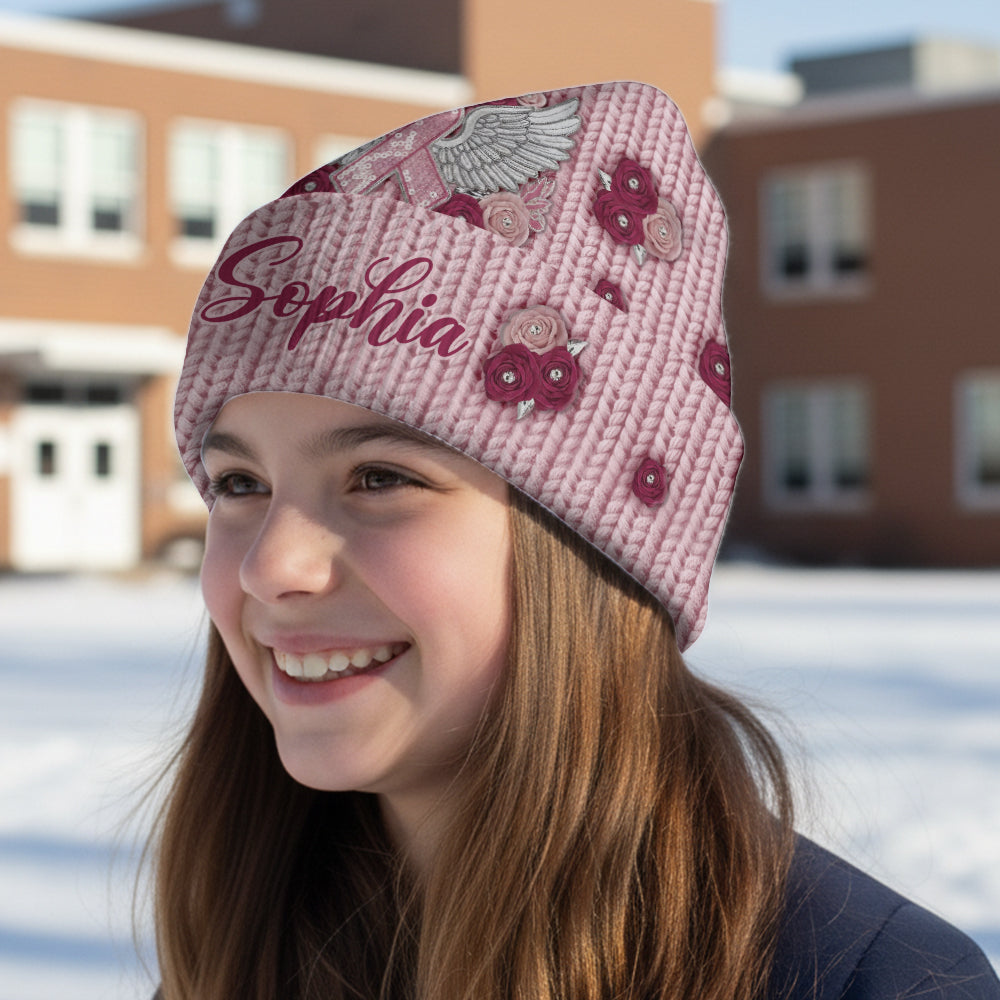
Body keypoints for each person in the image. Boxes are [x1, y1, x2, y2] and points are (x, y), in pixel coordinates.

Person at [157, 81, 999, 999]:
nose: (272, 565)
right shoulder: (245, 949)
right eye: (239, 484)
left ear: (594, 546)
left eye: (382, 478)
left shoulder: (875, 984)